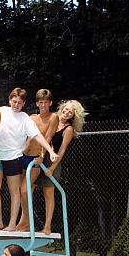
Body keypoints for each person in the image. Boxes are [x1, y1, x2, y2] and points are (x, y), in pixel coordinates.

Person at [0, 88, 57, 232]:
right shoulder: (1, 111)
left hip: (14, 157)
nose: (16, 105)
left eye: (19, 103)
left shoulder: (25, 118)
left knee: (15, 191)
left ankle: (12, 224)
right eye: (14, 101)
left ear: (24, 103)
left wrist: (51, 151)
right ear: (9, 100)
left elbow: (38, 136)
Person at [36, 100, 87, 234]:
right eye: (66, 109)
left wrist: (52, 168)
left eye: (70, 112)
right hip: (39, 156)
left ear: (73, 116)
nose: (66, 112)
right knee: (28, 188)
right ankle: (25, 222)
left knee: (48, 193)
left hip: (53, 161)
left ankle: (47, 226)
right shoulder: (53, 119)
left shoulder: (68, 129)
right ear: (62, 108)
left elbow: (62, 150)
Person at [18, 89, 59, 231]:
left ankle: (28, 221)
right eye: (41, 102)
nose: (43, 105)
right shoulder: (32, 117)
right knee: (22, 191)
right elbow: (26, 136)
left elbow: (47, 137)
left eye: (46, 102)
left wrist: (41, 155)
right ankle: (24, 221)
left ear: (50, 103)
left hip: (35, 158)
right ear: (37, 103)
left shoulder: (53, 117)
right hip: (24, 155)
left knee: (24, 190)